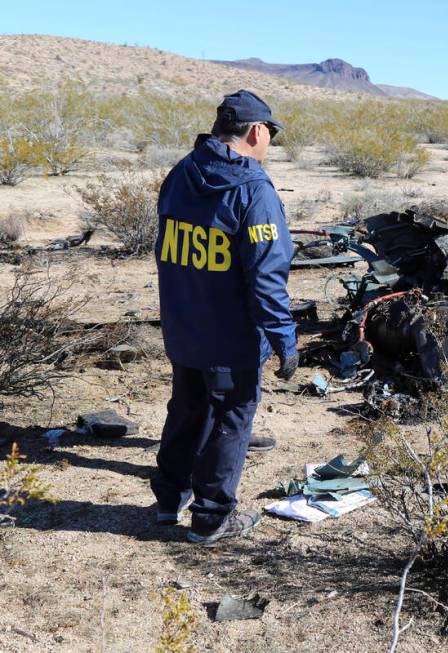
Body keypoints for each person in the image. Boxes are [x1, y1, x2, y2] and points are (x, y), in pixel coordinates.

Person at [151, 90, 298, 545]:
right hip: (230, 334)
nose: (268, 142)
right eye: (269, 133)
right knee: (232, 417)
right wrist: (284, 339)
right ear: (257, 132)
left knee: (188, 407)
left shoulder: (181, 172)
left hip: (183, 323)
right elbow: (266, 276)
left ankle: (168, 498)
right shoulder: (253, 190)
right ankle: (213, 516)